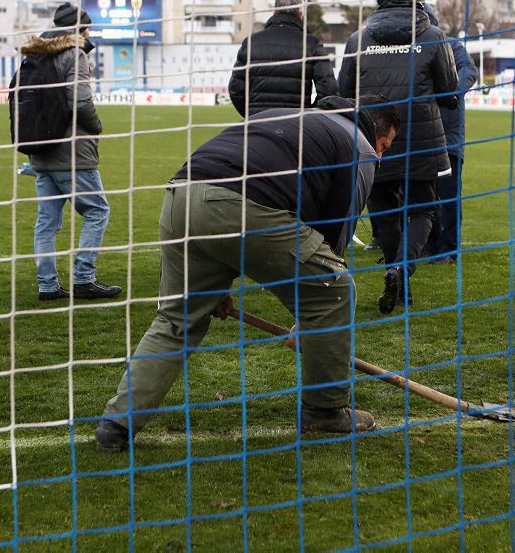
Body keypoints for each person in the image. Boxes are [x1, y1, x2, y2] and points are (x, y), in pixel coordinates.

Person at [95, 97, 399, 451]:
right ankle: (325, 410)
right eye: (385, 147)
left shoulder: (291, 116)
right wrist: (314, 318)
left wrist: (211, 286)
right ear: (374, 133)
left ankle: (116, 424)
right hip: (238, 207)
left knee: (176, 321)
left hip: (181, 197)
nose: (381, 157)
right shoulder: (358, 145)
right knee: (334, 291)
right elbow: (332, 244)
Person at [337, 0, 458, 315]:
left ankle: (398, 279)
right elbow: (450, 91)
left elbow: (344, 94)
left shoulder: (357, 40)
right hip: (422, 142)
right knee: (422, 210)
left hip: (374, 139)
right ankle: (400, 270)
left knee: (385, 214)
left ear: (378, 1)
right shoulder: (434, 36)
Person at [19, 2, 122, 300]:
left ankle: (47, 285)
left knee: (46, 222)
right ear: (80, 30)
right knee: (98, 211)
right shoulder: (74, 54)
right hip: (72, 152)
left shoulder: (34, 55)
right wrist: (97, 125)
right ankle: (83, 278)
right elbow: (79, 102)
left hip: (40, 152)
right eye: (87, 28)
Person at [419, 4, 480, 264]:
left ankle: (449, 248)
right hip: (423, 136)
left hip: (449, 138)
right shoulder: (417, 49)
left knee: (449, 196)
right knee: (425, 196)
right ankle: (429, 245)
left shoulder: (452, 46)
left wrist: (449, 92)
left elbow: (469, 71)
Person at [228, 0, 337, 116]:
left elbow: (236, 89)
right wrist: (309, 114)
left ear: (274, 11)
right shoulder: (311, 44)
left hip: (258, 124)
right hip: (295, 125)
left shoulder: (251, 42)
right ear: (301, 15)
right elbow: (329, 90)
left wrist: (252, 114)